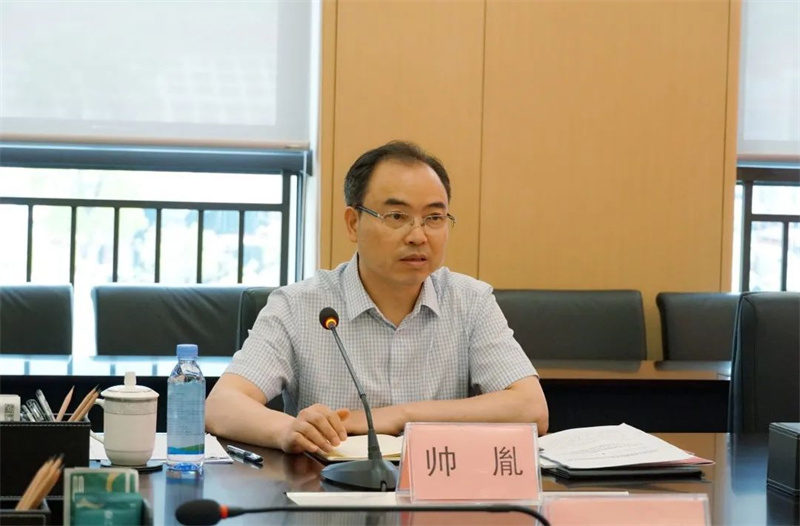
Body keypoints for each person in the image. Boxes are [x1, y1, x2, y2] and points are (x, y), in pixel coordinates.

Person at [206, 140, 549, 454]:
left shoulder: (470, 301)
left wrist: (400, 416)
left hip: (436, 488)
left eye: (434, 217)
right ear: (353, 223)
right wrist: (289, 430)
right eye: (397, 216)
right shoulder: (299, 306)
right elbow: (222, 405)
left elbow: (532, 409)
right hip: (326, 491)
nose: (418, 236)